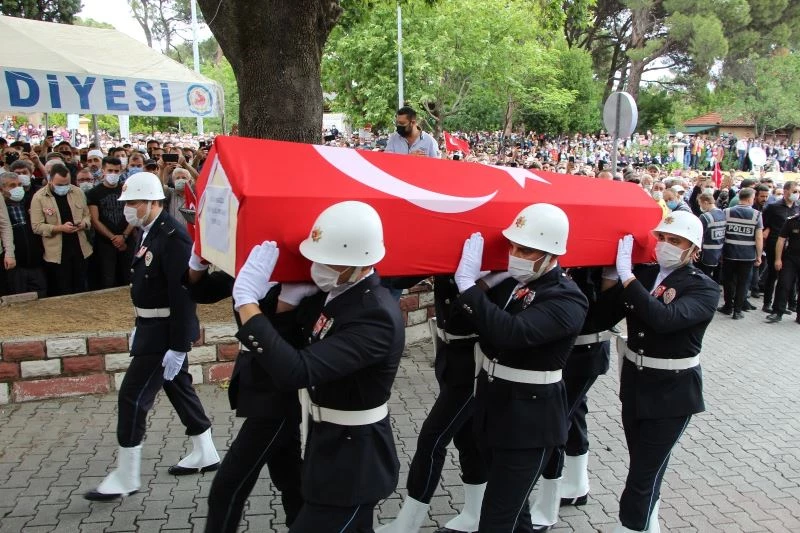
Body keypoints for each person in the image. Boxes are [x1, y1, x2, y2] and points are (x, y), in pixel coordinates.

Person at [232, 201, 405, 531]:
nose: (316, 266)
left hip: (352, 463)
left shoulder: (375, 315)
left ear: (358, 264)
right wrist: (283, 307)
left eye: (327, 260)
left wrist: (248, 305)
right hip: (329, 447)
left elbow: (296, 370)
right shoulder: (338, 294)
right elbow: (290, 347)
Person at [84, 172, 220, 501]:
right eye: (128, 203)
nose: (129, 208)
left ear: (155, 202)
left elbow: (182, 293)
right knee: (177, 386)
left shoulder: (173, 237)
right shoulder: (150, 232)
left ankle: (126, 475)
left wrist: (177, 345)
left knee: (132, 396)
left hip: (163, 333)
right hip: (151, 327)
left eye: (135, 202)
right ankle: (206, 450)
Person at [453, 204, 588, 532]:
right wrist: (480, 287)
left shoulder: (567, 298)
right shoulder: (514, 284)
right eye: (512, 246)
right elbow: (464, 321)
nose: (514, 254)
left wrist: (469, 286)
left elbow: (512, 333)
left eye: (524, 249)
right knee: (517, 515)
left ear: (551, 255)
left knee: (497, 519)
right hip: (495, 410)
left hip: (530, 423)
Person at [597, 211, 718, 532]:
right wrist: (612, 277)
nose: (665, 245)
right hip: (635, 385)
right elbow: (603, 315)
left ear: (694, 250)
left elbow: (664, 319)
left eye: (675, 241)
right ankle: (649, 524)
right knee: (646, 467)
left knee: (640, 477)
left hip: (673, 394)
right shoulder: (646, 275)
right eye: (662, 238)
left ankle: (631, 526)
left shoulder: (704, 288)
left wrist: (627, 277)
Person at [376, 272, 508, 533]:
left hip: (474, 363)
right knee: (467, 438)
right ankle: (475, 514)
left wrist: (478, 282)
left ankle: (409, 521)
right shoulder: (454, 257)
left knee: (432, 438)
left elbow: (488, 317)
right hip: (450, 357)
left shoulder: (498, 269)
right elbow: (403, 278)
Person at [186, 259, 303, 532]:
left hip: (279, 392)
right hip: (258, 383)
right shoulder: (255, 257)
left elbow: (288, 335)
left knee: (227, 486)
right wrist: (197, 259)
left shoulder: (300, 271)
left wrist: (258, 298)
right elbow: (203, 291)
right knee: (289, 474)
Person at [527, 266, 613, 532]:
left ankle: (546, 507)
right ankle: (577, 485)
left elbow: (605, 308)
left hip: (585, 349)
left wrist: (614, 278)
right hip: (561, 348)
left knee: (555, 424)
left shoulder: (600, 254)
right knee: (573, 413)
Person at [30, 163, 92, 296]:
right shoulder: (39, 197)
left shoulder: (77, 191)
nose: (63, 187)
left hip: (80, 248)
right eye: (60, 184)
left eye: (66, 183)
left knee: (81, 286)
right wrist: (60, 228)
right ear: (50, 180)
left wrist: (83, 224)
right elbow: (36, 226)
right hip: (57, 252)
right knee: (63, 288)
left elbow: (87, 215)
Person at [86, 157, 135, 289]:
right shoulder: (94, 193)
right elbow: (95, 220)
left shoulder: (126, 189)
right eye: (110, 170)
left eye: (116, 171)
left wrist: (124, 236)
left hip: (127, 240)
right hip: (105, 243)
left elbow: (135, 214)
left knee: (129, 277)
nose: (113, 174)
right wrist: (114, 238)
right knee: (108, 279)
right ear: (103, 171)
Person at [718, 187, 763, 320]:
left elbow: (721, 233)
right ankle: (737, 311)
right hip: (747, 255)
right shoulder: (757, 215)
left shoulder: (726, 212)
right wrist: (759, 255)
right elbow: (759, 237)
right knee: (743, 283)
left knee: (728, 281)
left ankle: (727, 306)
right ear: (750, 199)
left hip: (729, 253)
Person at [1, 172, 46, 296]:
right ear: (2, 189)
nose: (17, 188)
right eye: (12, 185)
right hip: (14, 266)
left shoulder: (31, 202)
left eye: (19, 184)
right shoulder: (2, 208)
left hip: (36, 263)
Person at [760, 181, 799, 313]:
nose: (796, 194)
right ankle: (767, 303)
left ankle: (789, 303)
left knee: (789, 277)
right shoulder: (774, 207)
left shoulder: (797, 207)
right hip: (775, 244)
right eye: (794, 191)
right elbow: (764, 224)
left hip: (791, 248)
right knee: (773, 274)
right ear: (786, 191)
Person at [766, 213, 800, 324]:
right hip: (791, 258)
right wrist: (778, 259)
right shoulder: (792, 221)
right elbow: (781, 240)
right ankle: (777, 312)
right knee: (783, 284)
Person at [696, 193, 725, 279]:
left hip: (706, 253)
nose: (700, 206)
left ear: (705, 202)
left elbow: (699, 235)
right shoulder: (722, 213)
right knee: (716, 278)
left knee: (704, 278)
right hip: (719, 252)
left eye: (700, 204)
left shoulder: (705, 217)